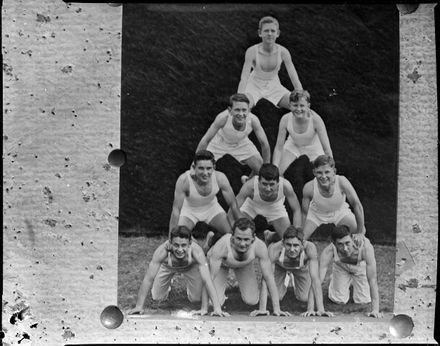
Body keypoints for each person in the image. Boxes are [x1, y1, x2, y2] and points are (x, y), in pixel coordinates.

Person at [126, 226, 229, 317]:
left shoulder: (196, 251)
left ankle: (207, 244)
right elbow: (148, 279)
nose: (180, 250)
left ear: (189, 244)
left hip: (190, 267)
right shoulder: (162, 251)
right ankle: (169, 284)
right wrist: (139, 306)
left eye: (183, 245)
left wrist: (216, 308)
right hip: (167, 267)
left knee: (196, 299)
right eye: (176, 245)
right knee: (157, 297)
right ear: (170, 243)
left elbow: (207, 280)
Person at [206, 217, 290, 316]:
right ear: (232, 237)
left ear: (253, 238)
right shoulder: (222, 246)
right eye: (239, 239)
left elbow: (269, 277)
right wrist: (215, 308)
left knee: (252, 300)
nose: (242, 244)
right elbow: (209, 279)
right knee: (212, 302)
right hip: (221, 264)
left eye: (246, 239)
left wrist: (277, 309)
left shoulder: (259, 246)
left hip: (244, 264)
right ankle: (210, 240)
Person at [251, 226, 333, 317]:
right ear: (283, 243)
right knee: (276, 296)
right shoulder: (274, 249)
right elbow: (266, 278)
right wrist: (265, 309)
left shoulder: (310, 248)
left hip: (300, 267)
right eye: (288, 245)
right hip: (280, 266)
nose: (292, 249)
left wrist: (317, 310)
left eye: (296, 245)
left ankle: (273, 235)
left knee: (304, 297)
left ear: (302, 244)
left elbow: (315, 279)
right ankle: (271, 236)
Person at [272, 90, 332, 202]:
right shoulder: (285, 119)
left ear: (308, 106)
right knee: (276, 174)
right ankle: (279, 198)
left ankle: (323, 200)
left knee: (324, 175)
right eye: (295, 105)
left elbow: (327, 149)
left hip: (314, 147)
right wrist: (274, 169)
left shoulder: (316, 120)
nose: (298, 109)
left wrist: (331, 170)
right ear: (289, 105)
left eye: (302, 105)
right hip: (293, 144)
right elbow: (278, 147)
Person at [196, 93, 271, 182]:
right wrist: (196, 163)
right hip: (219, 142)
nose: (241, 114)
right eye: (237, 110)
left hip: (241, 142)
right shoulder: (222, 118)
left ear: (249, 110)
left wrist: (267, 169)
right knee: (197, 171)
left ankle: (247, 183)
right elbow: (206, 140)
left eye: (244, 110)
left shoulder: (253, 120)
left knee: (262, 171)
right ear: (230, 110)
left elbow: (264, 144)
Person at [169, 150, 243, 236]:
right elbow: (176, 210)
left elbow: (233, 204)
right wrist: (171, 238)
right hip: (189, 210)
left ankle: (210, 241)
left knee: (231, 234)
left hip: (212, 208)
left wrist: (244, 228)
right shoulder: (184, 180)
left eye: (208, 168)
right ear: (194, 167)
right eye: (201, 168)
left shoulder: (220, 178)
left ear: (214, 167)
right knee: (180, 237)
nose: (205, 173)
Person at [237, 16, 303, 110]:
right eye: (266, 31)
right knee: (241, 108)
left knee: (300, 107)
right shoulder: (251, 51)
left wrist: (300, 94)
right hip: (254, 85)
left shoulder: (283, 52)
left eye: (272, 31)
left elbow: (293, 76)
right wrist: (239, 97)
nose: (269, 34)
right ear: (260, 33)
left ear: (278, 33)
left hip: (274, 86)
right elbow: (244, 77)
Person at [319, 225, 382, 318]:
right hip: (341, 267)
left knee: (363, 300)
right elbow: (318, 279)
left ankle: (353, 286)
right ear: (334, 243)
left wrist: (375, 310)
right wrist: (314, 309)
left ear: (352, 238)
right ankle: (335, 280)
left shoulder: (366, 248)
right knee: (338, 299)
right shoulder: (329, 250)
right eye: (340, 244)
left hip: (360, 268)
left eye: (347, 243)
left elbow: (372, 279)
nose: (345, 248)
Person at [230, 163, 302, 244]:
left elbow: (296, 209)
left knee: (289, 238)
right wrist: (239, 227)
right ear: (258, 181)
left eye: (272, 184)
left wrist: (297, 234)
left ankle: (270, 236)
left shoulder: (285, 186)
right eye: (264, 184)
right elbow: (234, 207)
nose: (268, 189)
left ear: (278, 182)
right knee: (234, 231)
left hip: (275, 207)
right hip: (251, 205)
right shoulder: (250, 185)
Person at [302, 155, 366, 241]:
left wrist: (360, 233)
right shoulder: (309, 187)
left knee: (361, 230)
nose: (323, 176)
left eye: (327, 172)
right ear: (314, 172)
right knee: (299, 241)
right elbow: (304, 213)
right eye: (319, 173)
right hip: (316, 214)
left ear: (334, 171)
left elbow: (356, 205)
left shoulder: (341, 181)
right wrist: (300, 234)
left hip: (339, 212)